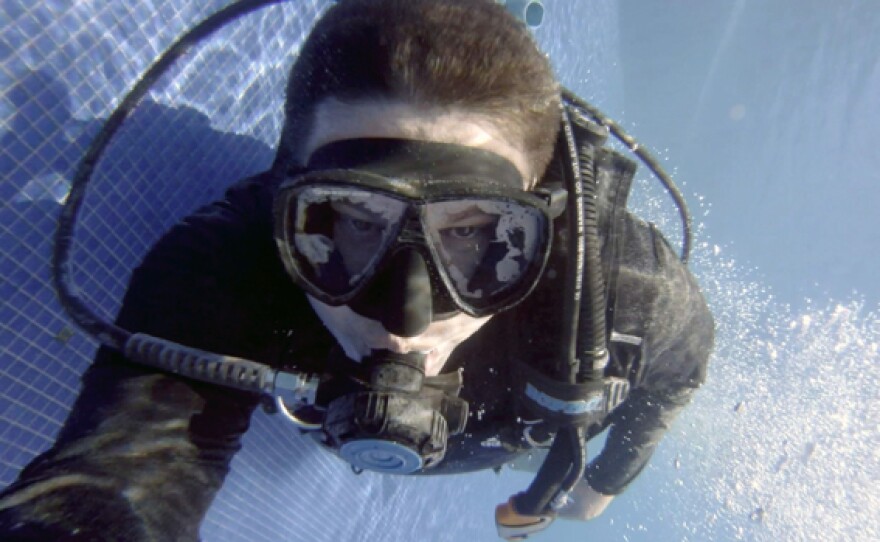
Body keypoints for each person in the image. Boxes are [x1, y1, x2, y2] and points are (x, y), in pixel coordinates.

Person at [0, 0, 714, 540]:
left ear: (541, 218)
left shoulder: (626, 290)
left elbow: (679, 371)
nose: (404, 319)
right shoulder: (223, 267)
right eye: (349, 221)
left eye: (471, 236)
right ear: (285, 193)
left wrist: (607, 480)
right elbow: (118, 478)